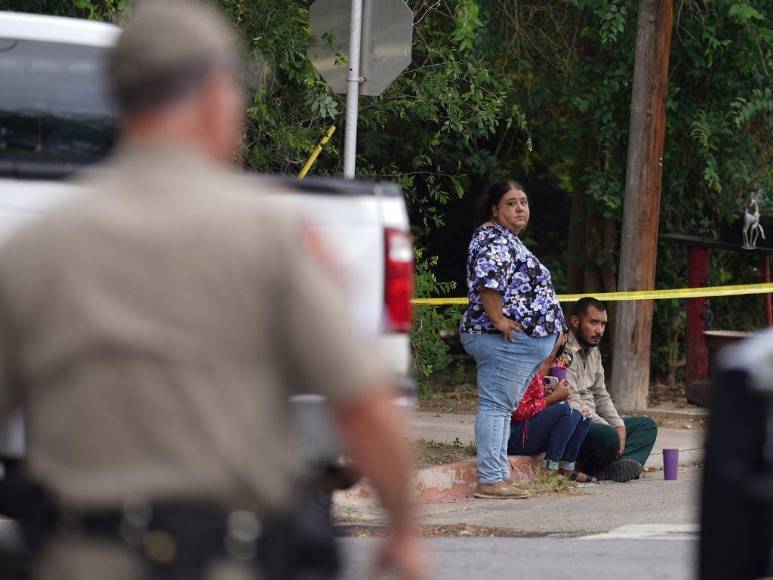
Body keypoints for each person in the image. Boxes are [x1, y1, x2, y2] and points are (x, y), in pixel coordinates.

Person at [0, 2, 425, 580]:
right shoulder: (272, 238)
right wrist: (402, 533)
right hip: (230, 559)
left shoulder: (34, 249)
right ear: (212, 92)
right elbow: (365, 405)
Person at [460, 181, 566, 499]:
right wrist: (498, 320)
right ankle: (490, 479)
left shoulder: (507, 239)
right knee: (495, 406)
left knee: (502, 408)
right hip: (497, 337)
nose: (520, 208)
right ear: (495, 209)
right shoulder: (493, 237)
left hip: (514, 343)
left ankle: (498, 476)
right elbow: (488, 280)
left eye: (523, 201)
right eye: (511, 203)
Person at [566, 297, 658, 482]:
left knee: (646, 426)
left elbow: (601, 395)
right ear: (575, 321)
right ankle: (601, 466)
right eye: (593, 322)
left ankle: (616, 466)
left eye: (603, 324)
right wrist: (611, 429)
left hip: (596, 423)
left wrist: (620, 427)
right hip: (576, 421)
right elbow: (571, 401)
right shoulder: (563, 350)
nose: (599, 330)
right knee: (608, 435)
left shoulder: (594, 351)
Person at [507, 343, 595, 482]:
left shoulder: (560, 365)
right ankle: (549, 469)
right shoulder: (527, 366)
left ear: (563, 338)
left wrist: (562, 396)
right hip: (516, 435)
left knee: (584, 413)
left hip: (534, 431)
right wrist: (553, 398)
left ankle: (567, 467)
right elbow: (519, 412)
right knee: (567, 410)